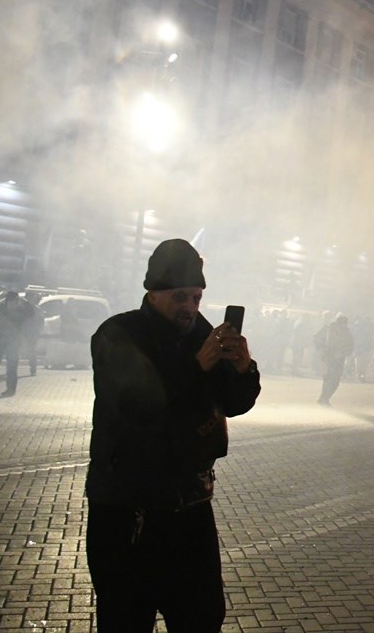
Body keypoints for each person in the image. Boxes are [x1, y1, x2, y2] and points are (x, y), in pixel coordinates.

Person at [85, 238, 260, 631]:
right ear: (153, 293)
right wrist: (196, 366)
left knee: (202, 618)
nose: (190, 307)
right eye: (180, 296)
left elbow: (233, 403)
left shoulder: (205, 335)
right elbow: (136, 404)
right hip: (128, 512)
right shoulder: (118, 334)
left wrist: (242, 369)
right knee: (125, 619)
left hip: (190, 509)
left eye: (197, 297)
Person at [0, 288, 36, 397]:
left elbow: (31, 313)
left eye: (17, 301)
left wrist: (25, 301)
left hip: (13, 342)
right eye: (14, 301)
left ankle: (11, 389)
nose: (16, 303)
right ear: (8, 301)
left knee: (11, 367)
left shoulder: (21, 310)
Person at [317, 313, 354, 406]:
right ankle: (324, 399)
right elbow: (317, 339)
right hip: (328, 357)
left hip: (339, 359)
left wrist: (344, 352)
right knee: (328, 379)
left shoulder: (346, 332)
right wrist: (321, 350)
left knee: (335, 381)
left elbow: (351, 345)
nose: (343, 326)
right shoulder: (327, 329)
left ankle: (324, 398)